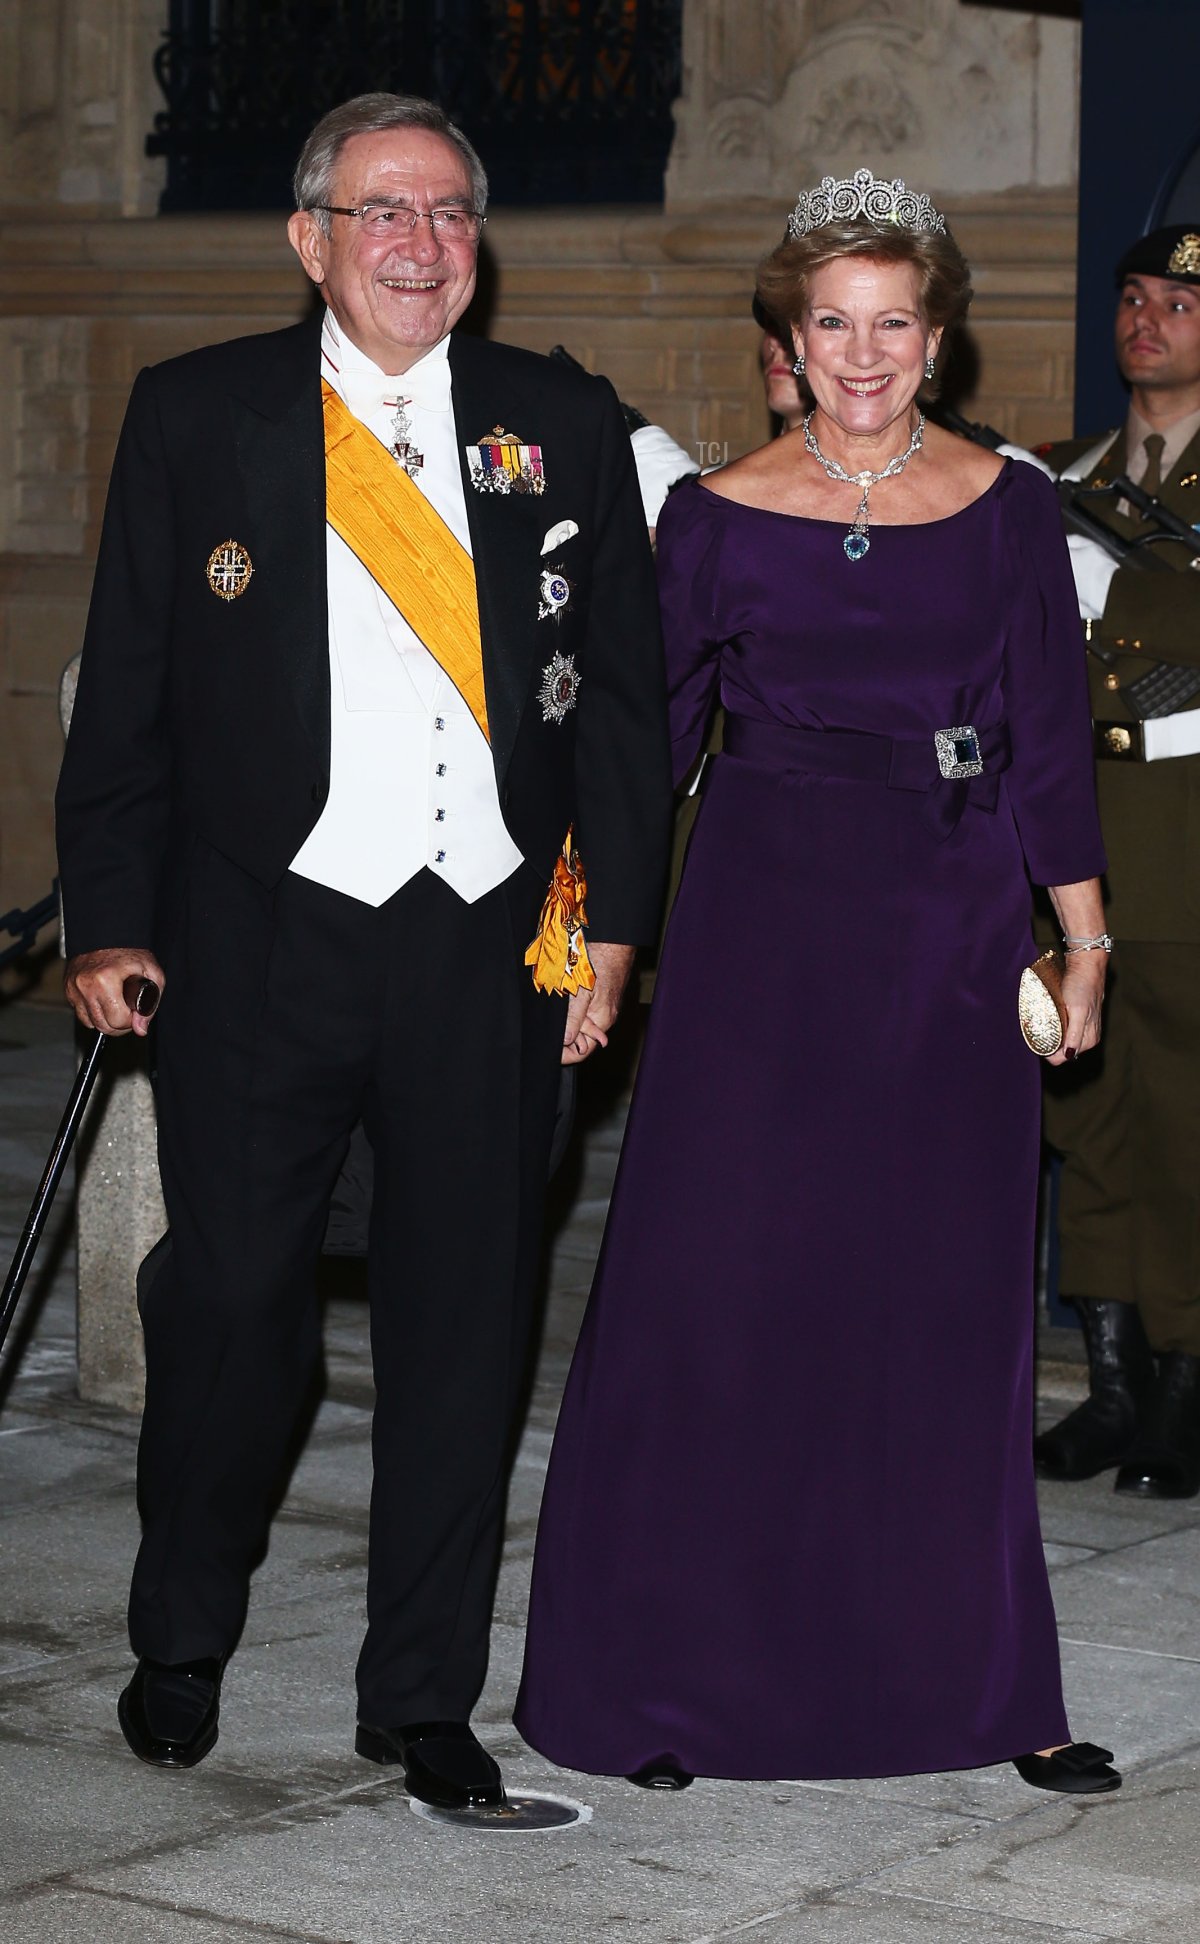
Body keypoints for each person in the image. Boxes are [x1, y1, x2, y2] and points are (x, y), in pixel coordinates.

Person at [54, 91, 671, 1807]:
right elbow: (132, 689)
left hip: (491, 945)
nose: (420, 244)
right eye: (383, 212)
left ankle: (421, 1693)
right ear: (310, 238)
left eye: (451, 213)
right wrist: (108, 915)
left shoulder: (559, 425)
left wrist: (607, 930)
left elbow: (619, 716)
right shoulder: (201, 417)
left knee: (468, 1329)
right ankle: (182, 1627)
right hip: (264, 937)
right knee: (234, 1309)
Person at [516, 169, 1120, 1796]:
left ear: (940, 336)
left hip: (949, 920)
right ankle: (662, 1673)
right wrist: (600, 930)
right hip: (762, 937)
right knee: (722, 1299)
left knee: (943, 1307)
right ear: (792, 338)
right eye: (833, 324)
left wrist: (1082, 937)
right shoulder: (715, 515)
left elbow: (1051, 740)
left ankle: (997, 1684)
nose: (865, 356)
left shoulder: (1009, 505)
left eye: (895, 324)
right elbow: (639, 745)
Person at [1035, 225, 1200, 1499]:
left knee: (1186, 1117)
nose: (1146, 320)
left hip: (1186, 833)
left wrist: (1121, 608)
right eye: (1134, 300)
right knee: (1084, 1111)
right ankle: (1111, 1383)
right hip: (1072, 837)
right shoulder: (1061, 474)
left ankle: (1186, 1385)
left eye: (1178, 302)